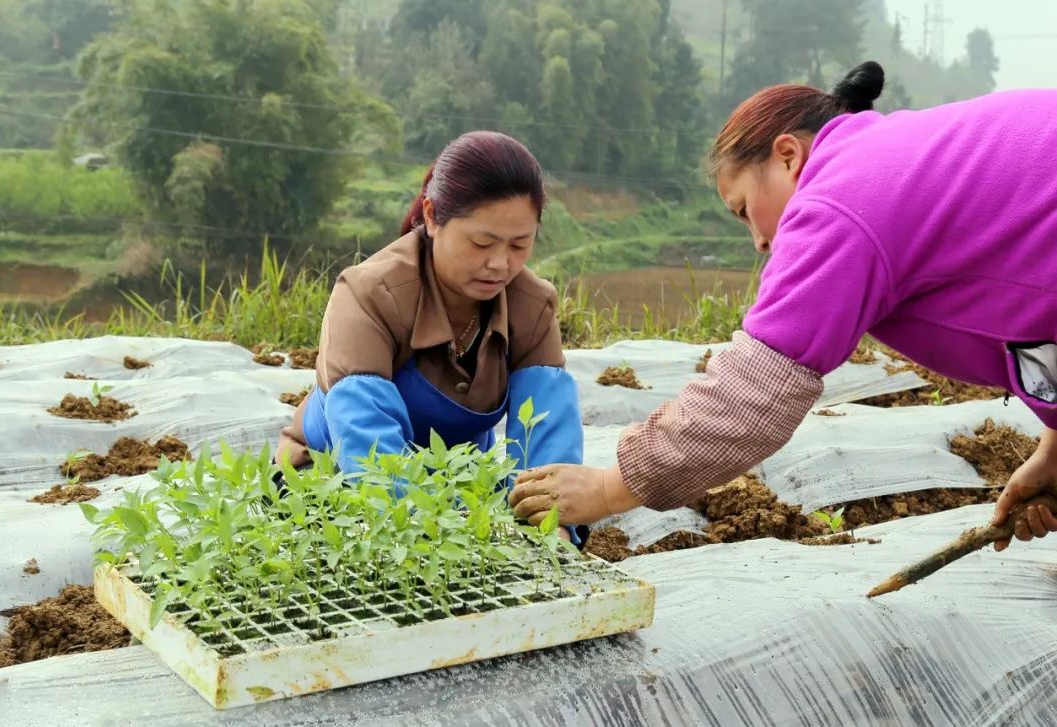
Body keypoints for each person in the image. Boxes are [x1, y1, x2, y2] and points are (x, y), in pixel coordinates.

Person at [510, 61, 1057, 553]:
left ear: (788, 156)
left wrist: (607, 488)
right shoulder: (886, 164)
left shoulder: (839, 202)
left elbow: (752, 393)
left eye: (745, 209)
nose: (758, 241)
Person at [276, 131, 586, 544]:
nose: (499, 264)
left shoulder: (531, 305)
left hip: (456, 484)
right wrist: (433, 533)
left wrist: (551, 525)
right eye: (481, 242)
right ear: (433, 216)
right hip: (336, 477)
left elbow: (546, 434)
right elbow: (366, 439)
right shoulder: (370, 294)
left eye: (519, 244)